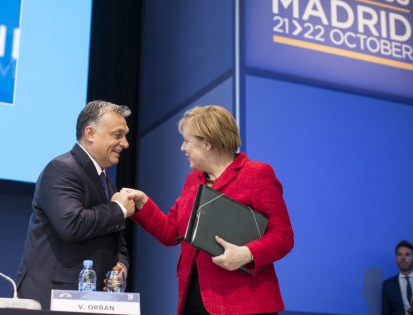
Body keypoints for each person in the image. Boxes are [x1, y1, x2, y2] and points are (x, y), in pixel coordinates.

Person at [123, 105, 294, 314]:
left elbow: (283, 235)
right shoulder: (193, 180)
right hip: (193, 301)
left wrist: (246, 254)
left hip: (245, 304)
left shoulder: (257, 174)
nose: (182, 148)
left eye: (186, 141)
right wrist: (143, 204)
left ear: (206, 143)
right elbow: (172, 233)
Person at [16, 101, 135, 309]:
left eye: (125, 136)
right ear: (90, 134)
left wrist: (121, 265)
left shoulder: (106, 181)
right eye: (117, 135)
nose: (125, 143)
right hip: (50, 298)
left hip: (88, 301)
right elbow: (72, 224)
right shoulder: (61, 169)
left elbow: (117, 240)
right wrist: (118, 209)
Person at [382, 240, 413, 315]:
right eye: (399, 254)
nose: (403, 258)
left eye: (407, 254)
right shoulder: (387, 286)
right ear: (396, 259)